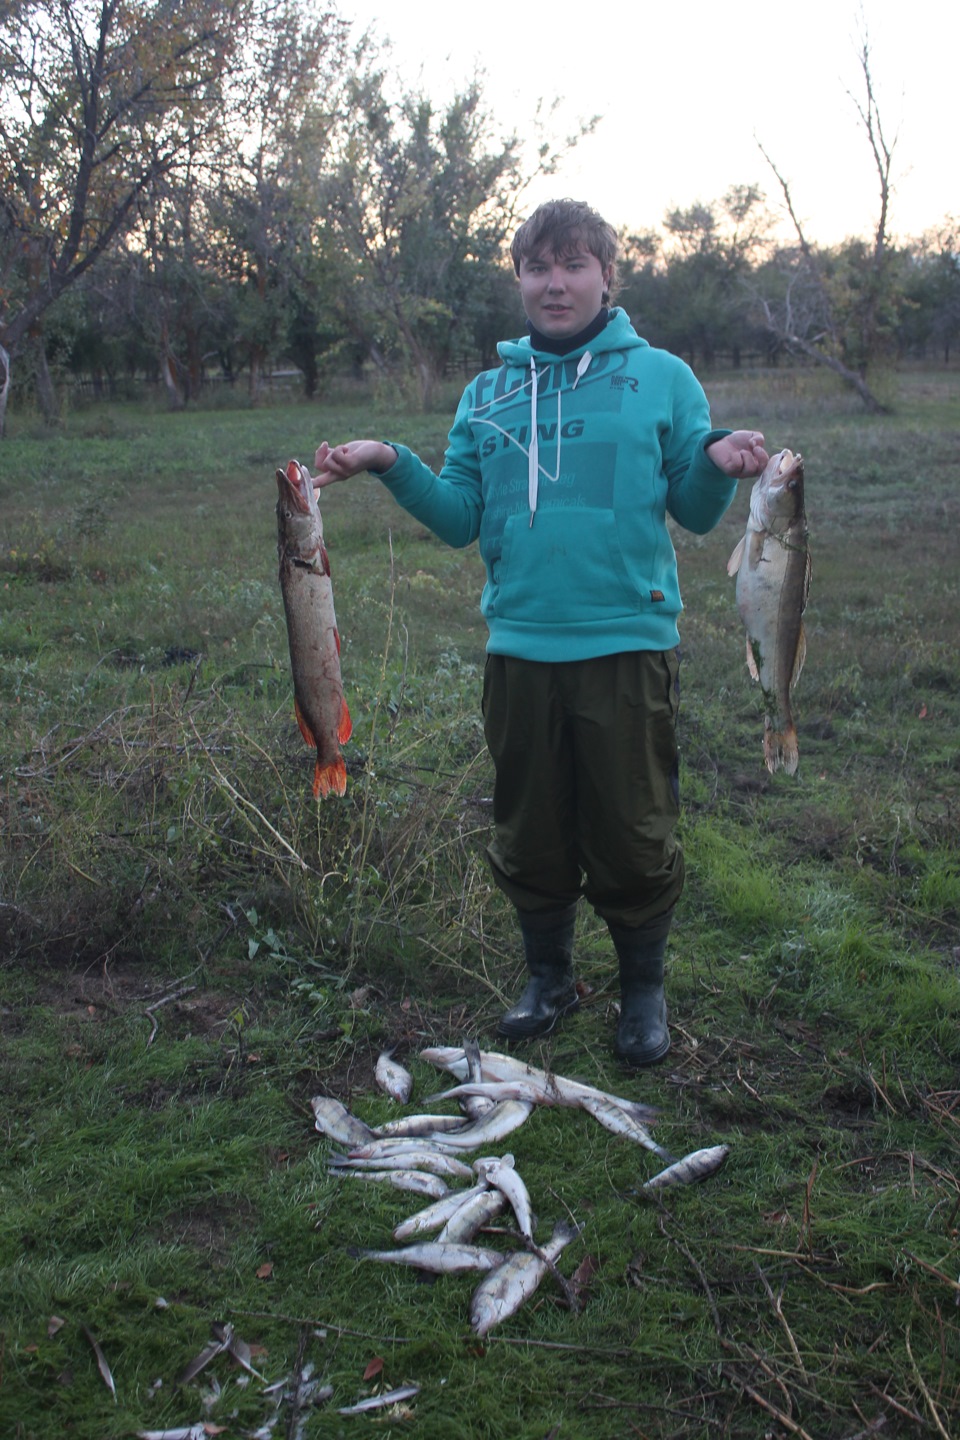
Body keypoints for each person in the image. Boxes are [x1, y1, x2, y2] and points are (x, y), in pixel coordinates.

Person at [311, 198, 768, 1066]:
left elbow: (697, 513)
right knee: (531, 828)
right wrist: (388, 462)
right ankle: (549, 977)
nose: (554, 284)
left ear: (606, 275)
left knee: (634, 829)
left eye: (573, 265)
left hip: (626, 649)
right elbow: (459, 518)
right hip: (519, 650)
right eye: (537, 267)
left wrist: (715, 465)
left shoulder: (663, 378)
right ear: (519, 277)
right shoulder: (487, 395)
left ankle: (642, 991)